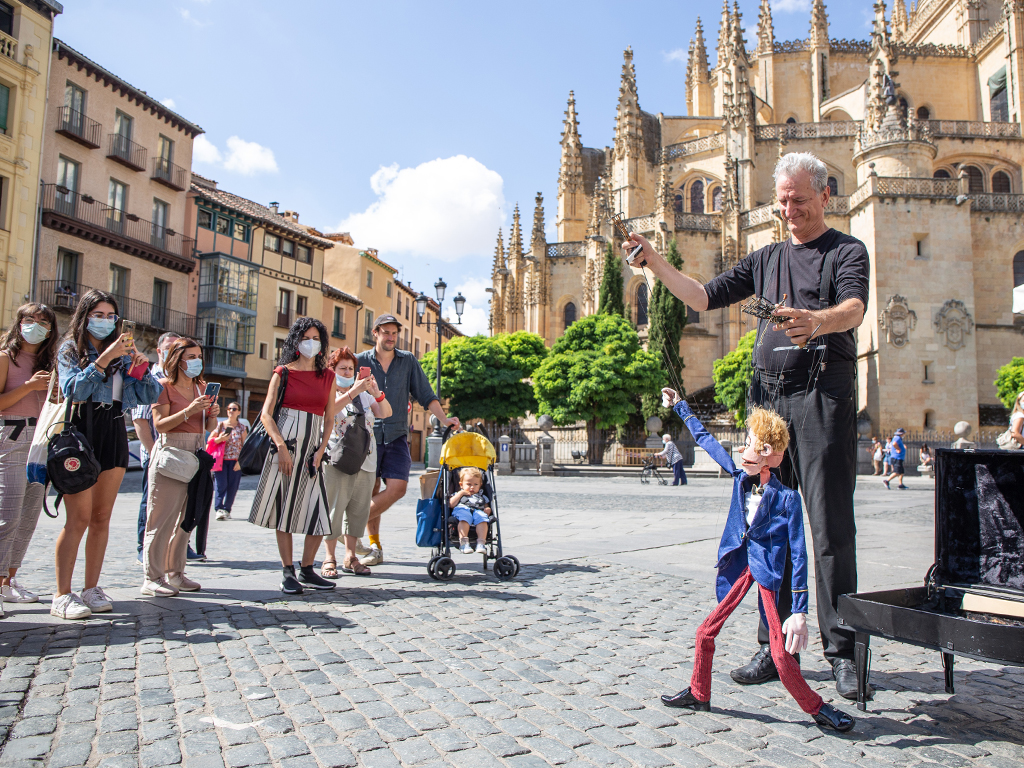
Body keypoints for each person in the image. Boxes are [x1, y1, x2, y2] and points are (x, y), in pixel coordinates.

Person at [622, 151, 870, 699]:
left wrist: (817, 321)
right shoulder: (764, 259)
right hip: (769, 403)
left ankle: (843, 650)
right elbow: (703, 296)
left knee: (830, 528)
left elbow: (854, 308)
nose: (788, 210)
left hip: (822, 396)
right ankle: (771, 646)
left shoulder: (846, 251)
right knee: (770, 528)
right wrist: (654, 262)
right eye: (782, 200)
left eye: (799, 200)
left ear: (825, 196)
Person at [659, 390, 854, 732]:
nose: (740, 449)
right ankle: (698, 692)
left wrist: (799, 611)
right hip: (741, 564)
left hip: (766, 572)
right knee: (705, 632)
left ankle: (819, 708)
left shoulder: (788, 499)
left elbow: (799, 553)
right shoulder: (739, 476)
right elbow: (705, 438)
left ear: (766, 454)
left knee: (779, 654)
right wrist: (680, 406)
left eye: (747, 443)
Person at [54, 290, 162, 619]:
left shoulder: (122, 354)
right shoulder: (70, 350)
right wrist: (102, 360)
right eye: (98, 315)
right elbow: (73, 389)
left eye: (110, 316)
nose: (105, 321)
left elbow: (144, 396)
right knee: (79, 518)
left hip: (113, 427)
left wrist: (140, 370)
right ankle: (62, 594)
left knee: (101, 518)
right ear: (85, 316)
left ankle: (91, 587)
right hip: (81, 431)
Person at [355, 314, 459, 567]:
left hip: (397, 434)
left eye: (394, 333)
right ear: (375, 332)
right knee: (371, 490)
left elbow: (425, 394)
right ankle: (375, 547)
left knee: (397, 489)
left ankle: (347, 525)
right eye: (386, 332)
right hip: (364, 435)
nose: (391, 337)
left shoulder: (408, 361)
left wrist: (444, 420)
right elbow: (341, 389)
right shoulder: (360, 361)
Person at [250, 318, 338, 594]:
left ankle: (308, 568)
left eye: (316, 338)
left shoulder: (329, 377)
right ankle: (288, 571)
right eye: (306, 338)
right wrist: (281, 447)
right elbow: (266, 414)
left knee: (318, 510)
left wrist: (321, 449)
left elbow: (330, 418)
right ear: (296, 342)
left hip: (312, 450)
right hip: (285, 447)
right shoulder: (282, 372)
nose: (311, 343)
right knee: (283, 507)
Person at [141, 338, 219, 596]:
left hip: (196, 452)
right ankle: (152, 577)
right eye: (191, 357)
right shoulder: (162, 386)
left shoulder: (202, 388)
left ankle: (176, 573)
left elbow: (207, 428)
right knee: (161, 519)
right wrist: (189, 410)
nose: (197, 361)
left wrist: (212, 414)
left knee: (187, 519)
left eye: (199, 356)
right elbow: (160, 424)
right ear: (177, 359)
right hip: (171, 452)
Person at [0, 304, 59, 614]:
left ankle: (9, 580)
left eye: (43, 321)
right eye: (30, 319)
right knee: (7, 514)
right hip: (11, 436)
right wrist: (28, 386)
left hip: (42, 438)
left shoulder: (50, 362)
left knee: (28, 515)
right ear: (19, 322)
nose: (36, 325)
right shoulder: (5, 358)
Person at [320, 347, 391, 578]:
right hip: (338, 457)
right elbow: (328, 412)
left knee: (359, 510)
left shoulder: (363, 392)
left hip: (366, 458)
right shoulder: (328, 390)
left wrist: (375, 391)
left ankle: (350, 557)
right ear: (332, 369)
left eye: (351, 368)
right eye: (343, 368)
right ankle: (329, 557)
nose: (348, 371)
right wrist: (352, 392)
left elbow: (385, 413)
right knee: (335, 508)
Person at [132, 331, 179, 564]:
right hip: (155, 454)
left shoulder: (180, 379)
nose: (174, 351)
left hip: (177, 455)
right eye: (169, 347)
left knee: (174, 503)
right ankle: (144, 546)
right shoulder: (150, 379)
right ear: (159, 351)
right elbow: (140, 421)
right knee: (150, 502)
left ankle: (176, 545)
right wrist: (153, 455)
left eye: (177, 347)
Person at [210, 402, 248, 521]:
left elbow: (245, 446)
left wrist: (241, 462)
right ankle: (219, 509)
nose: (231, 410)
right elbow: (210, 440)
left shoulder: (242, 428)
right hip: (221, 461)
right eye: (229, 408)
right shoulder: (220, 425)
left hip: (235, 462)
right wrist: (220, 438)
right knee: (221, 485)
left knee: (232, 487)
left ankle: (227, 509)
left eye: (234, 409)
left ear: (238, 412)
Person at [450, 466, 491, 555]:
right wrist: (461, 493)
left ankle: (481, 543)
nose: (472, 487)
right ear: (461, 485)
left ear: (480, 485)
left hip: (478, 510)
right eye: (469, 484)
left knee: (483, 519)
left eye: (476, 484)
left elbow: (486, 505)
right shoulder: (458, 494)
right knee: (465, 517)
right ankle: (464, 543)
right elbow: (451, 504)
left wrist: (487, 509)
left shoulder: (481, 496)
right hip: (462, 509)